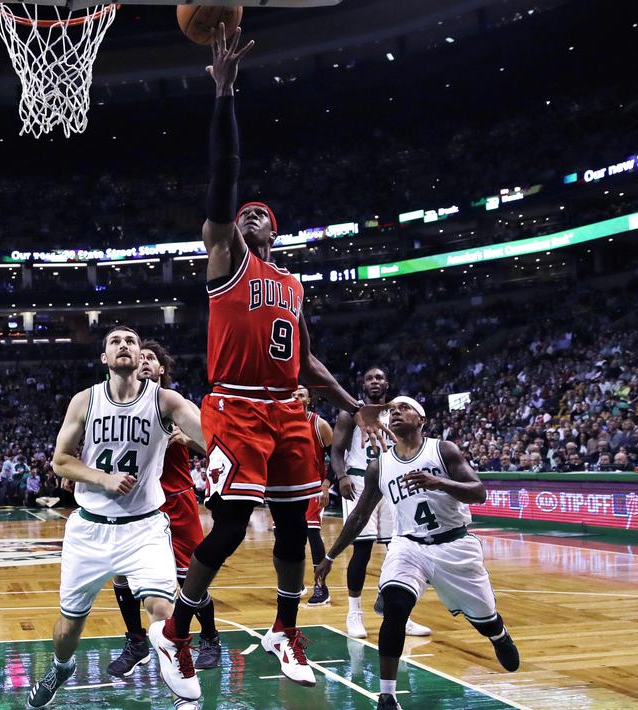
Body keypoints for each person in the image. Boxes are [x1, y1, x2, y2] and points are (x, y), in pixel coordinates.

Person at [157, 24, 392, 693]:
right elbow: (222, 176)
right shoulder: (225, 258)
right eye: (243, 212)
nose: (249, 216)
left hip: (290, 410)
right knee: (230, 525)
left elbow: (307, 362)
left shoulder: (290, 285)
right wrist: (224, 96)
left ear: (274, 230)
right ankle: (176, 628)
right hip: (232, 403)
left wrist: (352, 405)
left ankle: (284, 629)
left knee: (297, 526)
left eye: (259, 214)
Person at [26, 326, 206, 709]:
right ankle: (61, 667)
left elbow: (213, 438)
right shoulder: (84, 401)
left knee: (162, 609)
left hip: (144, 527)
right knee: (69, 628)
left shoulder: (166, 401)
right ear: (104, 359)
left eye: (131, 341)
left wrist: (195, 439)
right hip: (90, 527)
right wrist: (102, 479)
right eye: (115, 342)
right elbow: (61, 461)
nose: (124, 346)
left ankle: (184, 698)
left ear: (142, 356)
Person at [315, 397, 520, 710]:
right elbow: (358, 516)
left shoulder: (443, 450)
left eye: (404, 408)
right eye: (392, 409)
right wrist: (330, 557)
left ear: (421, 419)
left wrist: (439, 482)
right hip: (409, 545)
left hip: (455, 546)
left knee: (485, 620)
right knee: (395, 606)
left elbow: (479, 492)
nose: (396, 412)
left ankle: (498, 634)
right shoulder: (379, 465)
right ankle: (387, 696)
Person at [106, 339, 221, 678]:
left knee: (190, 580)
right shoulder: (118, 407)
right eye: (138, 357)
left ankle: (210, 638)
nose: (142, 361)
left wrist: (189, 440)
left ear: (160, 369)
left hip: (176, 500)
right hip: (135, 504)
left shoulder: (175, 406)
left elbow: (214, 445)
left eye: (151, 358)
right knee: (122, 574)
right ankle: (136, 642)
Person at [329, 368, 431, 639]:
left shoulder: (397, 412)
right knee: (361, 551)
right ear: (363, 384)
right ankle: (354, 613)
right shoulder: (352, 412)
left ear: (387, 383)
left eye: (379, 378)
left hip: (390, 481)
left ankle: (401, 614)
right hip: (359, 481)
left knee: (399, 552)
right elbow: (336, 451)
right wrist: (341, 477)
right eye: (369, 378)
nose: (374, 382)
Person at [295, 386, 333, 607]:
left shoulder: (319, 425)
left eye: (301, 394)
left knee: (312, 534)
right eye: (293, 394)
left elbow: (336, 457)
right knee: (287, 538)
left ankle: (321, 587)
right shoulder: (281, 423)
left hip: (312, 488)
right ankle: (296, 584)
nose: (296, 398)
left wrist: (326, 485)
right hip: (289, 489)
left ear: (309, 399)